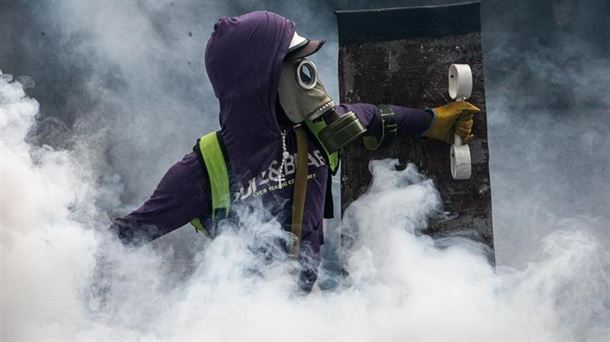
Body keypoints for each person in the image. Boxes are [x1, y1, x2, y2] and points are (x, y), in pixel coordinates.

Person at [110, 11, 479, 292]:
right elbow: (128, 234)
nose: (310, 79)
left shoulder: (317, 134)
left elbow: (373, 118)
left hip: (305, 309)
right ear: (261, 81)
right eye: (297, 67)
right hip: (237, 317)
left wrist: (432, 122)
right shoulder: (203, 170)